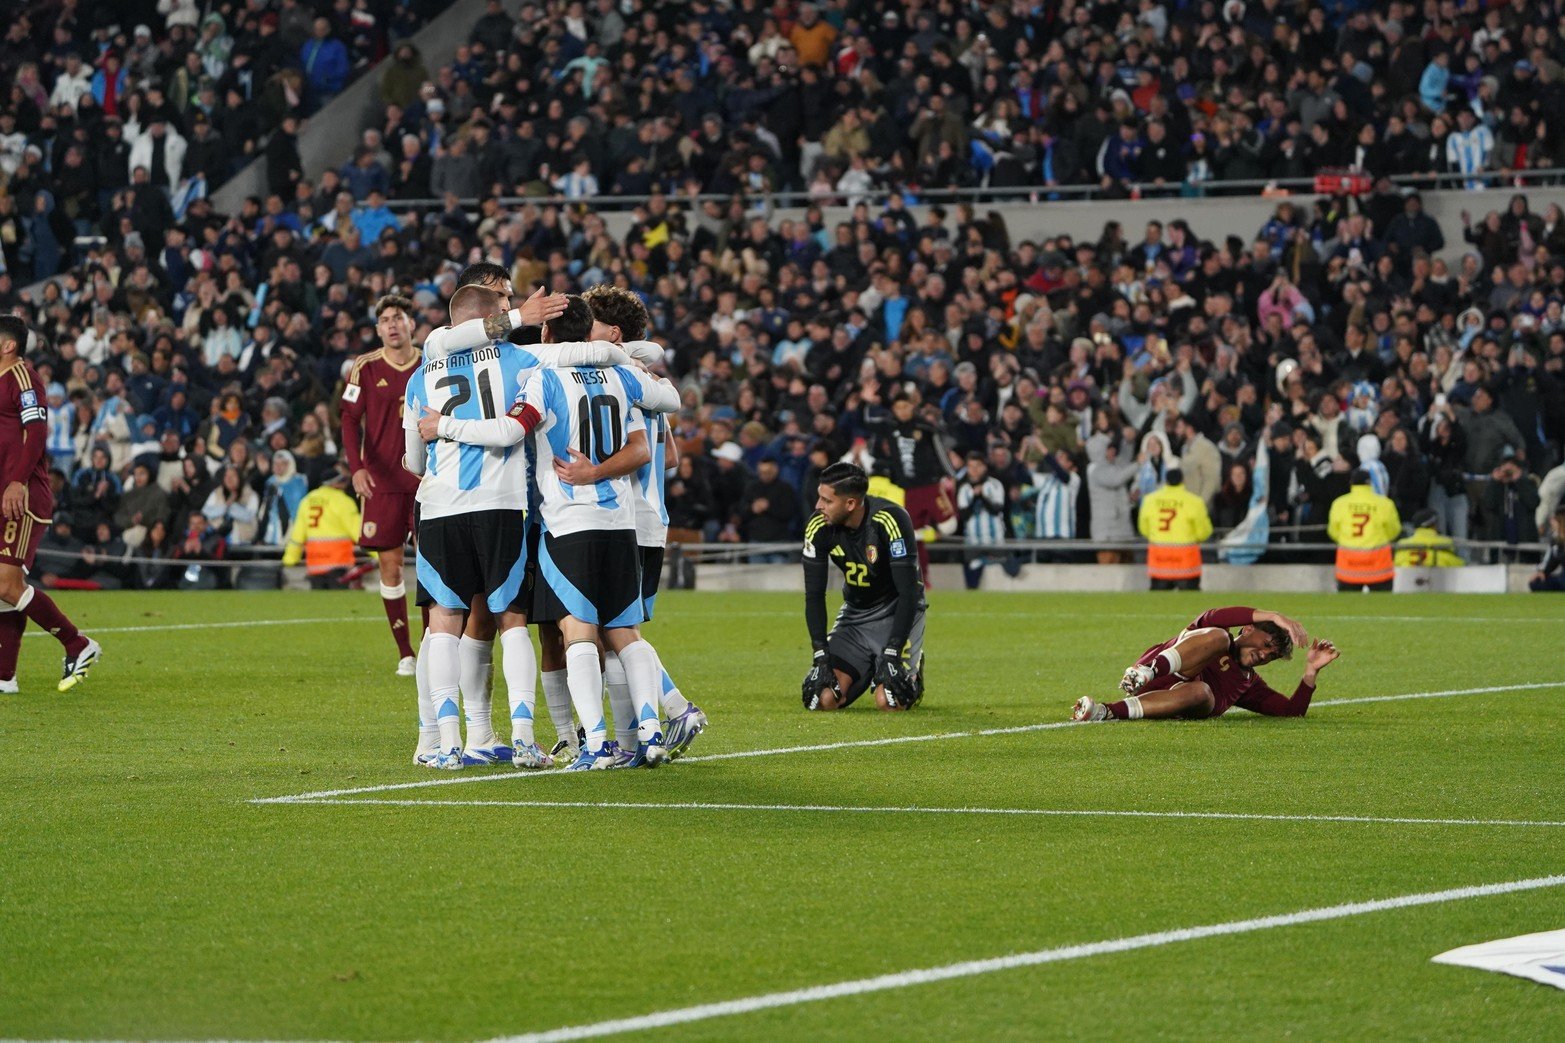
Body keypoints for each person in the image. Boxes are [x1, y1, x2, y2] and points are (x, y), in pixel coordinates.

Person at [418, 294, 681, 770]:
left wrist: (445, 425)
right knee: (624, 631)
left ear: (544, 334)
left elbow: (513, 430)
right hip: (620, 521)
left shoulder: (535, 375)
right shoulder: (622, 376)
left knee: (573, 631)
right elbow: (651, 431)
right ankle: (651, 733)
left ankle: (593, 744)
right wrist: (626, 354)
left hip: (564, 520)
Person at [406, 263, 569, 766]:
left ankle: (445, 742)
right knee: (512, 621)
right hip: (502, 506)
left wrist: (445, 433)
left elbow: (412, 459)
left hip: (438, 507)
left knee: (442, 623)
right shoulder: (525, 364)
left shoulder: (421, 373)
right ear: (493, 314)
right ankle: (523, 736)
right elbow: (527, 430)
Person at [581, 284, 708, 759]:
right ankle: (635, 740)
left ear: (611, 332)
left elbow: (642, 453)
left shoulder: (613, 378)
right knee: (618, 634)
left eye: (589, 323)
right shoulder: (646, 377)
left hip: (624, 520)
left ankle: (675, 707)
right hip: (653, 518)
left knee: (609, 632)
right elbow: (670, 456)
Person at [0, 316, 101, 694]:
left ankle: (78, 643)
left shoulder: (23, 376)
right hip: (3, 493)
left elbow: (37, 432)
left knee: (6, 584)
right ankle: (4, 677)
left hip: (21, 495)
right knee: (4, 588)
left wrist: (16, 481)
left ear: (9, 345)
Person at [800, 461, 926, 712]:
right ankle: (869, 667)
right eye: (819, 498)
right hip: (855, 616)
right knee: (822, 699)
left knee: (889, 702)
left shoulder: (890, 520)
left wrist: (892, 650)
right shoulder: (818, 526)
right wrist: (820, 654)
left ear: (850, 504)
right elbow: (814, 595)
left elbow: (908, 593)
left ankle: (914, 675)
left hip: (897, 611)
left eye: (826, 501)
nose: (818, 506)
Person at [340, 295, 423, 674]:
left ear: (411, 324)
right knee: (390, 568)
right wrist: (356, 468)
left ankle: (434, 646)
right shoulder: (366, 367)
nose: (392, 325)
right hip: (382, 482)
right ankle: (406, 652)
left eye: (398, 318)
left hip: (427, 481)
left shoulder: (432, 362)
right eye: (385, 320)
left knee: (433, 566)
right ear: (378, 330)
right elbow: (347, 419)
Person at [1072, 607, 1337, 722]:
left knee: (1202, 692)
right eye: (1266, 644)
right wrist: (1274, 616)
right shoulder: (1215, 632)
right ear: (1247, 629)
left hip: (1178, 699)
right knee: (1219, 636)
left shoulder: (1247, 682)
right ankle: (1148, 670)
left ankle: (1104, 713)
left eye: (1273, 655)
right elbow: (1214, 615)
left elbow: (1290, 711)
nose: (1266, 654)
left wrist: (1311, 671)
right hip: (1155, 674)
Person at [279, 467, 361, 588]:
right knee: (339, 604)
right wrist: (380, 554)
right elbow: (358, 532)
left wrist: (289, 559)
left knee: (318, 605)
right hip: (338, 563)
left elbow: (297, 535)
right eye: (342, 481)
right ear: (335, 483)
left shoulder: (307, 501)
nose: (345, 484)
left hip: (315, 565)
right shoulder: (343, 501)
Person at [1138, 465, 1212, 590]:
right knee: (1190, 605)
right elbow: (1204, 532)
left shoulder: (1150, 500)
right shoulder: (1194, 501)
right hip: (1186, 564)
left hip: (1160, 563)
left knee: (1158, 606)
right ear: (1182, 480)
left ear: (1165, 481)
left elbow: (1144, 529)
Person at [1327, 468, 1401, 591]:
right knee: (1382, 608)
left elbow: (1333, 531)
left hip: (1348, 567)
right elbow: (1394, 530)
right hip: (1379, 566)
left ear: (1351, 483)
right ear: (1370, 483)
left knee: (1348, 608)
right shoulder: (1385, 504)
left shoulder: (1339, 503)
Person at [1394, 508, 1465, 568]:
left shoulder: (1402, 545)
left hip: (1407, 582)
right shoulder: (1445, 544)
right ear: (1435, 524)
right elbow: (1460, 566)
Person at [1530, 509, 1565, 592]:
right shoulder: (1556, 541)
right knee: (1536, 583)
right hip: (1562, 577)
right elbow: (1552, 562)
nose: (1551, 522)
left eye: (1554, 519)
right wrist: (1543, 572)